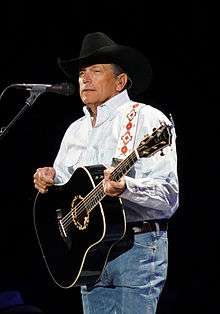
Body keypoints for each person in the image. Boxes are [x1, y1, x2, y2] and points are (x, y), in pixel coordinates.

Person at [33, 32, 179, 314]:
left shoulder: (147, 119)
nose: (84, 79)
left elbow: (169, 197)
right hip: (89, 251)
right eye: (81, 73)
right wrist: (49, 180)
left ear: (120, 81)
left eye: (95, 71)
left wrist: (126, 187)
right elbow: (66, 190)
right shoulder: (75, 129)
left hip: (137, 249)